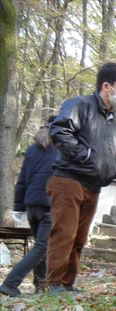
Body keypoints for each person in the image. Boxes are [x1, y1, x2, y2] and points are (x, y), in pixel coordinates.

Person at [46, 62, 116, 293]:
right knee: (64, 233)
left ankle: (67, 283)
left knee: (80, 238)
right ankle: (54, 283)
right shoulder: (80, 105)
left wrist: (112, 169)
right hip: (69, 179)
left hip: (94, 185)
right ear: (106, 86)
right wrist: (87, 156)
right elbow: (59, 130)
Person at [0, 117, 58, 297]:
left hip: (31, 205)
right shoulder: (62, 149)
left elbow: (22, 180)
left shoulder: (32, 150)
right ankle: (10, 283)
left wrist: (18, 208)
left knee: (41, 247)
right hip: (48, 205)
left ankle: (40, 286)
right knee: (41, 247)